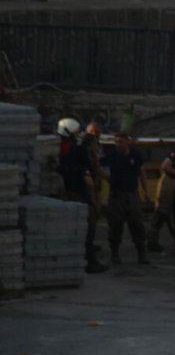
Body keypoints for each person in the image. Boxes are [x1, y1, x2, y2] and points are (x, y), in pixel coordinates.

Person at [55, 117, 108, 273]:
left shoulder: (58, 149)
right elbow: (87, 177)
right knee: (88, 228)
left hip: (65, 193)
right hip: (80, 193)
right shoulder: (78, 151)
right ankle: (90, 262)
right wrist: (92, 196)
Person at [101, 132, 151, 265]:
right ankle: (115, 254)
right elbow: (99, 167)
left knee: (137, 224)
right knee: (115, 225)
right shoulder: (112, 156)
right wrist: (109, 180)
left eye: (121, 141)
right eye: (116, 142)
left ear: (127, 142)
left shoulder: (135, 155)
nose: (118, 144)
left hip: (132, 194)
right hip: (117, 195)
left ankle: (142, 253)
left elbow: (141, 173)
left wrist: (146, 191)